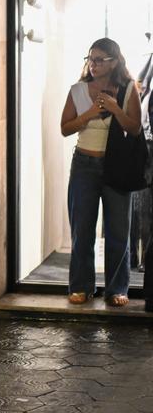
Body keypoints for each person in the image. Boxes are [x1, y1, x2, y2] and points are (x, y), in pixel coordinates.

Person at [59, 37, 141, 306]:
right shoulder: (78, 90)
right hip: (84, 165)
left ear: (114, 61)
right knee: (82, 229)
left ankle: (117, 289)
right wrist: (91, 112)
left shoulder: (129, 89)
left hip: (116, 166)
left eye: (99, 60)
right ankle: (81, 286)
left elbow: (135, 128)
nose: (93, 65)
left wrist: (115, 108)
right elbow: (66, 128)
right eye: (90, 59)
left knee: (118, 230)